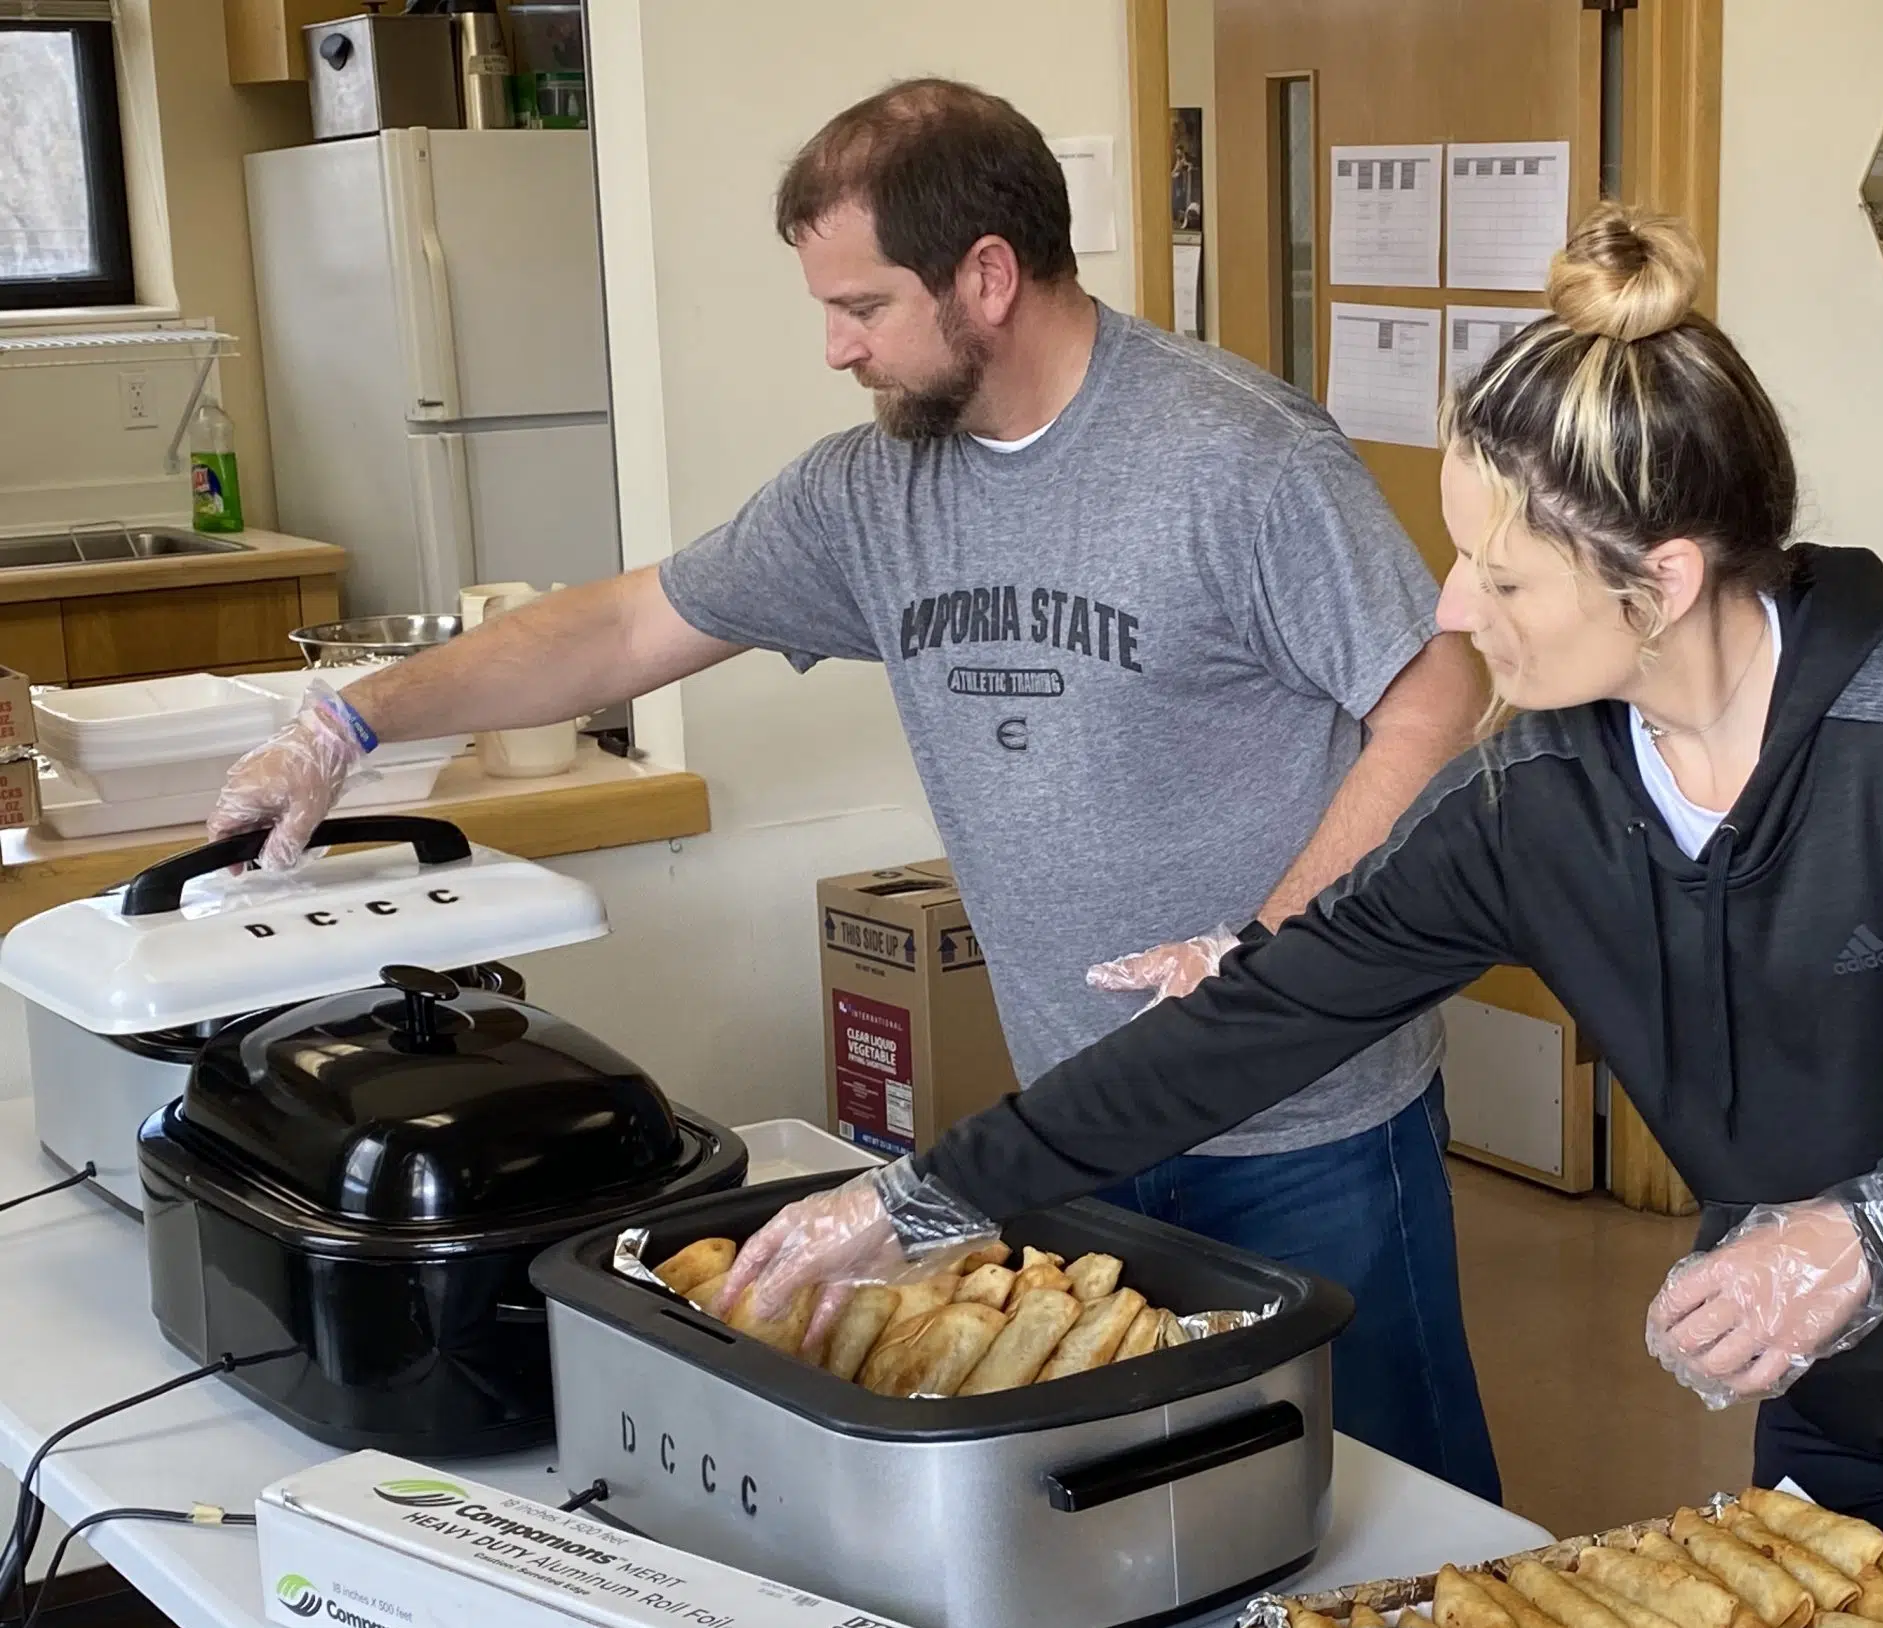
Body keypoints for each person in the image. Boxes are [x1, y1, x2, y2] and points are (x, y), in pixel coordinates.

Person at [720, 204, 1883, 1628]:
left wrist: (1877, 1237)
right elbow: (1258, 1022)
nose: (1458, 613)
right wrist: (918, 1200)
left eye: (1503, 569)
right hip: (1855, 1411)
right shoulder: (1533, 799)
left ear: (1663, 577)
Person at [200, 78, 1501, 1501]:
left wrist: (1266, 947)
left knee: (1400, 1507)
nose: (835, 348)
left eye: (864, 307)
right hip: (1076, 1115)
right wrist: (347, 718)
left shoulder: (1238, 456)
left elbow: (1435, 689)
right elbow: (629, 626)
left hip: (1304, 1119)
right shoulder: (874, 492)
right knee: (1189, 1506)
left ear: (987, 277)